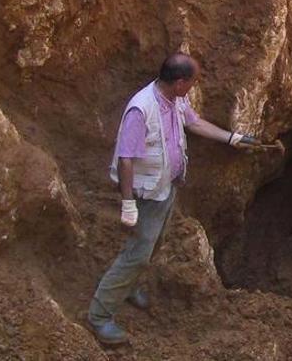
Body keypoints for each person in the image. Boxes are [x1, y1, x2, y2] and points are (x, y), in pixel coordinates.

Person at [87, 53, 274, 344]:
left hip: (165, 187)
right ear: (178, 82)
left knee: (154, 243)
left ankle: (129, 287)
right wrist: (127, 205)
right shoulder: (141, 109)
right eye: (191, 82)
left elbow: (195, 123)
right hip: (145, 194)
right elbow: (125, 159)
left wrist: (232, 138)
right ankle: (99, 316)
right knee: (137, 253)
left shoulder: (173, 101)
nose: (194, 86)